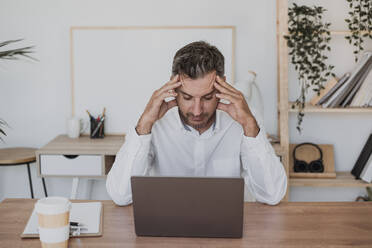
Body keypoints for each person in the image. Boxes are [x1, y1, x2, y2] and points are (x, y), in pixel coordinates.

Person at [106, 41, 287, 206]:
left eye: (207, 98)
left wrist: (250, 127)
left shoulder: (244, 118)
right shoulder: (151, 119)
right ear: (173, 86)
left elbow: (272, 195)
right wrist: (144, 126)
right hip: (166, 225)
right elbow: (121, 196)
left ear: (222, 84)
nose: (197, 110)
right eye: (187, 97)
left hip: (226, 228)